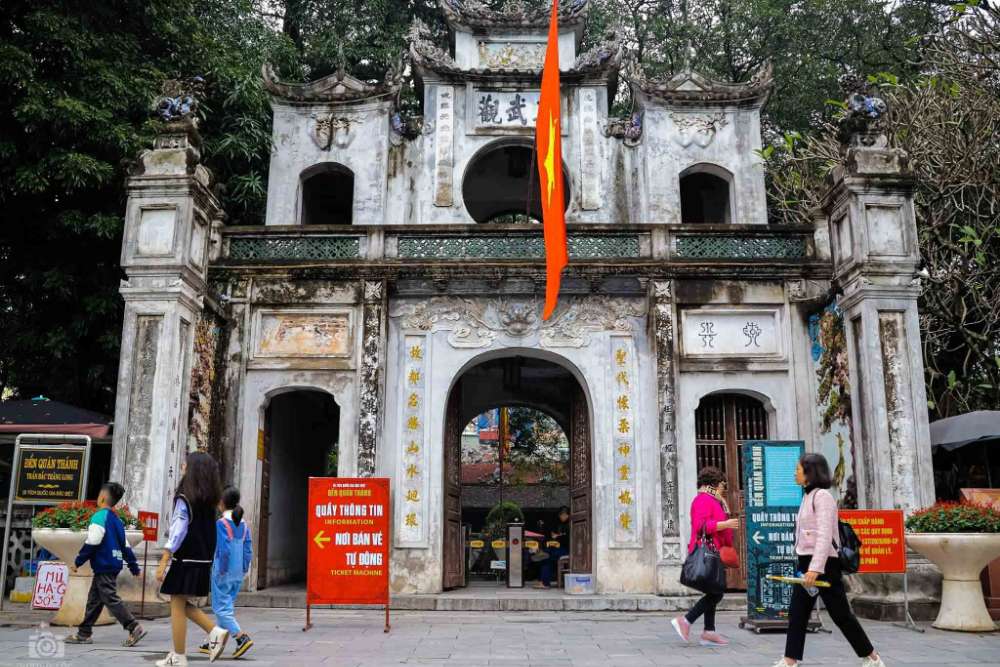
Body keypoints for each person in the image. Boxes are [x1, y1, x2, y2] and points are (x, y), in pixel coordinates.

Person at [772, 453, 886, 667]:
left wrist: (815, 568)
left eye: (798, 469)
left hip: (825, 565)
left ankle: (872, 657)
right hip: (806, 563)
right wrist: (806, 564)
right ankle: (789, 660)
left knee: (841, 614)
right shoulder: (807, 496)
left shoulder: (822, 497)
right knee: (797, 613)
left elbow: (824, 535)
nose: (795, 473)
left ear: (809, 473)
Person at [155, 451, 229, 666]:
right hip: (203, 559)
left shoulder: (185, 498)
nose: (182, 467)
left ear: (193, 469)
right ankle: (213, 632)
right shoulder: (210, 501)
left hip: (185, 558)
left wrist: (164, 559)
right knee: (179, 602)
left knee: (176, 602)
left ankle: (179, 655)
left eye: (185, 464)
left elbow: (177, 531)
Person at [64, 482, 146, 647]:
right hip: (113, 564)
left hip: (104, 564)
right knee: (94, 600)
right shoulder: (117, 521)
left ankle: (133, 626)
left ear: (102, 497)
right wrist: (134, 567)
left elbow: (93, 541)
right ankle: (84, 633)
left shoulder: (99, 516)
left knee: (110, 598)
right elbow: (126, 546)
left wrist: (78, 562)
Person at [671, 466, 737, 647]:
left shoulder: (715, 501)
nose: (724, 489)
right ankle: (686, 620)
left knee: (714, 591)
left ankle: (709, 632)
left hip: (715, 551)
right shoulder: (702, 500)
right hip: (707, 551)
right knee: (716, 593)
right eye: (722, 485)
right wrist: (724, 524)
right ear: (714, 484)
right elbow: (701, 526)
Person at [199, 486, 254, 659]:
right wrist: (244, 568)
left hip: (223, 571)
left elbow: (223, 550)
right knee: (226, 607)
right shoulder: (244, 525)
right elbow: (248, 550)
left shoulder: (221, 524)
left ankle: (240, 637)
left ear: (221, 503)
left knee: (220, 608)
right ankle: (214, 642)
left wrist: (220, 570)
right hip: (238, 572)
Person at [535, 506, 570, 589]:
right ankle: (542, 581)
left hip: (566, 550)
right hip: (559, 548)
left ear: (567, 515)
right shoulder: (561, 524)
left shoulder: (571, 525)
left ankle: (545, 582)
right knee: (544, 554)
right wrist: (556, 537)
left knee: (546, 556)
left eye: (563, 515)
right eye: (561, 515)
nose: (561, 517)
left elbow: (567, 539)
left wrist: (557, 537)